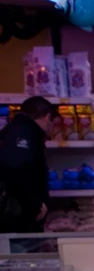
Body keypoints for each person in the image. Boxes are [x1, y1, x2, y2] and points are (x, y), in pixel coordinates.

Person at [0, 96, 53, 233]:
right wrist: (34, 203)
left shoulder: (16, 130)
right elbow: (13, 168)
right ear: (47, 117)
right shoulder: (23, 134)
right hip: (16, 220)